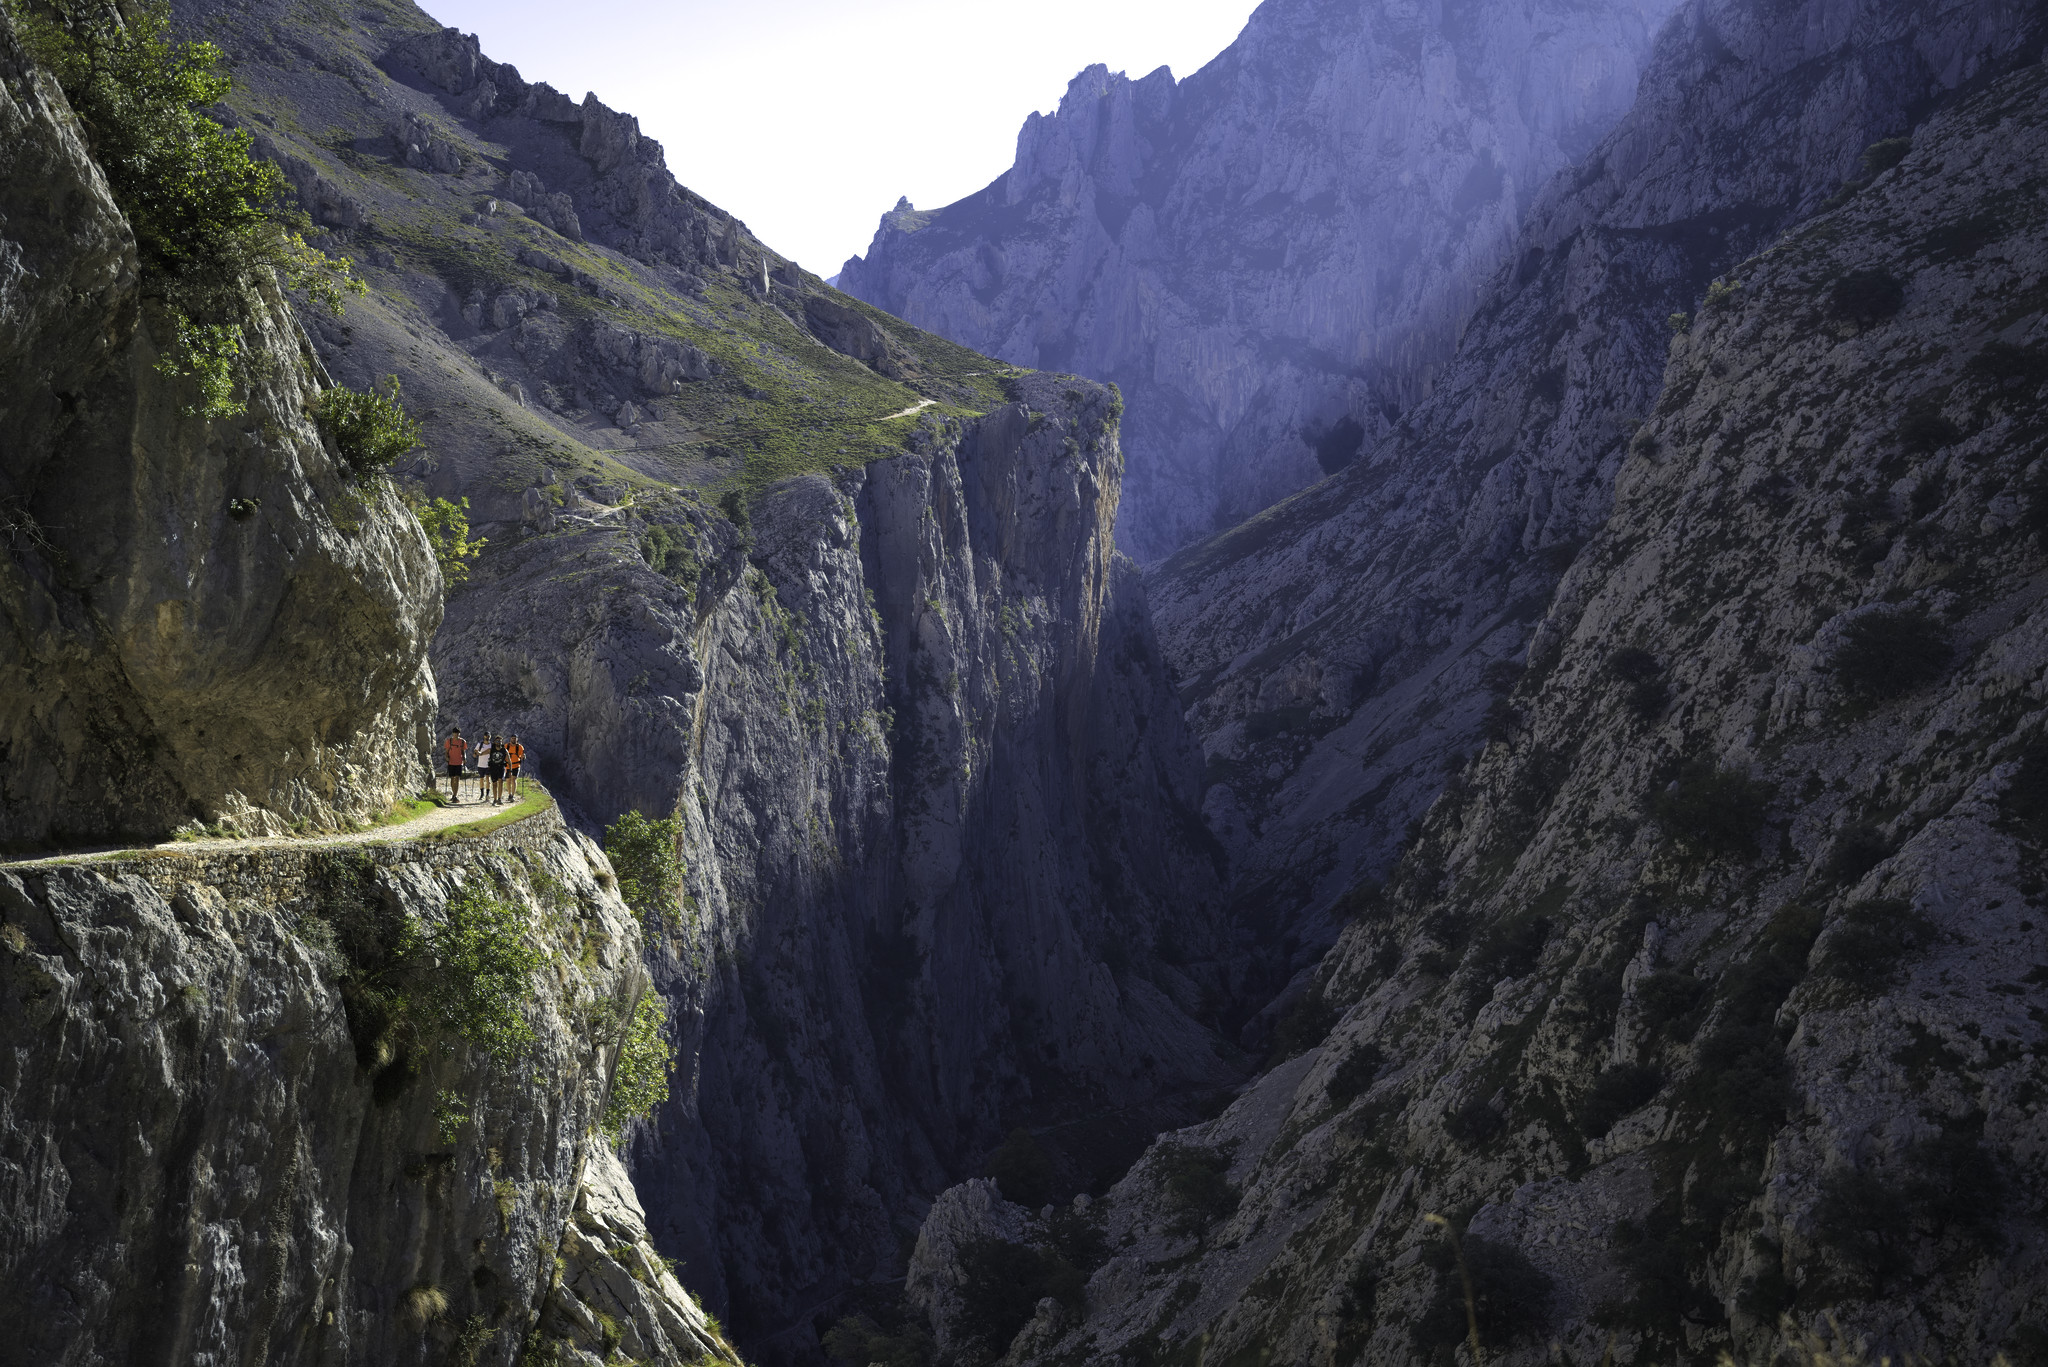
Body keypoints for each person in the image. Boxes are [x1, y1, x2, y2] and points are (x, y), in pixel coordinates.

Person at [442, 728, 467, 802]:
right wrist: (446, 758)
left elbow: (463, 751)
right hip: (451, 762)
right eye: (455, 733)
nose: (456, 734)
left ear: (459, 734)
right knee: (452, 779)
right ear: (453, 733)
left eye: (458, 733)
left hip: (459, 762)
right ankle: (454, 794)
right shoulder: (449, 741)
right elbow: (446, 751)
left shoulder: (462, 742)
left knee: (457, 778)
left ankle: (455, 795)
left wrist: (464, 758)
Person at [487, 732, 508, 804]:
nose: (498, 742)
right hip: (493, 768)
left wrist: (510, 770)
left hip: (501, 767)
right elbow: (485, 753)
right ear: (494, 742)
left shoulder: (504, 750)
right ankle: (495, 799)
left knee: (500, 782)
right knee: (494, 783)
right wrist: (478, 753)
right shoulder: (491, 749)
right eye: (497, 741)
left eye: (500, 741)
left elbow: (509, 760)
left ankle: (499, 798)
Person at [504, 734, 525, 799]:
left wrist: (523, 757)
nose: (514, 739)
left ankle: (512, 795)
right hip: (508, 766)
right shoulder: (506, 746)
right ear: (510, 739)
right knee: (508, 780)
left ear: (517, 739)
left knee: (513, 780)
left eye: (515, 738)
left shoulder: (520, 747)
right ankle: (509, 794)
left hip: (516, 765)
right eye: (512, 738)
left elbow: (522, 756)